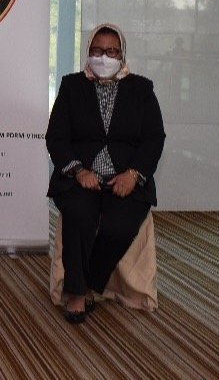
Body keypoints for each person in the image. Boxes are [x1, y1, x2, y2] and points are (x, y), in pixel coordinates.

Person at [45, 23, 165, 323]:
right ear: (88, 52)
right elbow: (56, 137)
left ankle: (88, 283)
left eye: (111, 52)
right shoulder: (72, 86)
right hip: (81, 178)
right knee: (78, 215)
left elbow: (154, 138)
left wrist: (134, 174)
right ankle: (75, 293)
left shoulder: (141, 89)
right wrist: (78, 170)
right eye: (97, 51)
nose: (104, 57)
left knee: (120, 226)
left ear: (122, 55)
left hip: (125, 178)